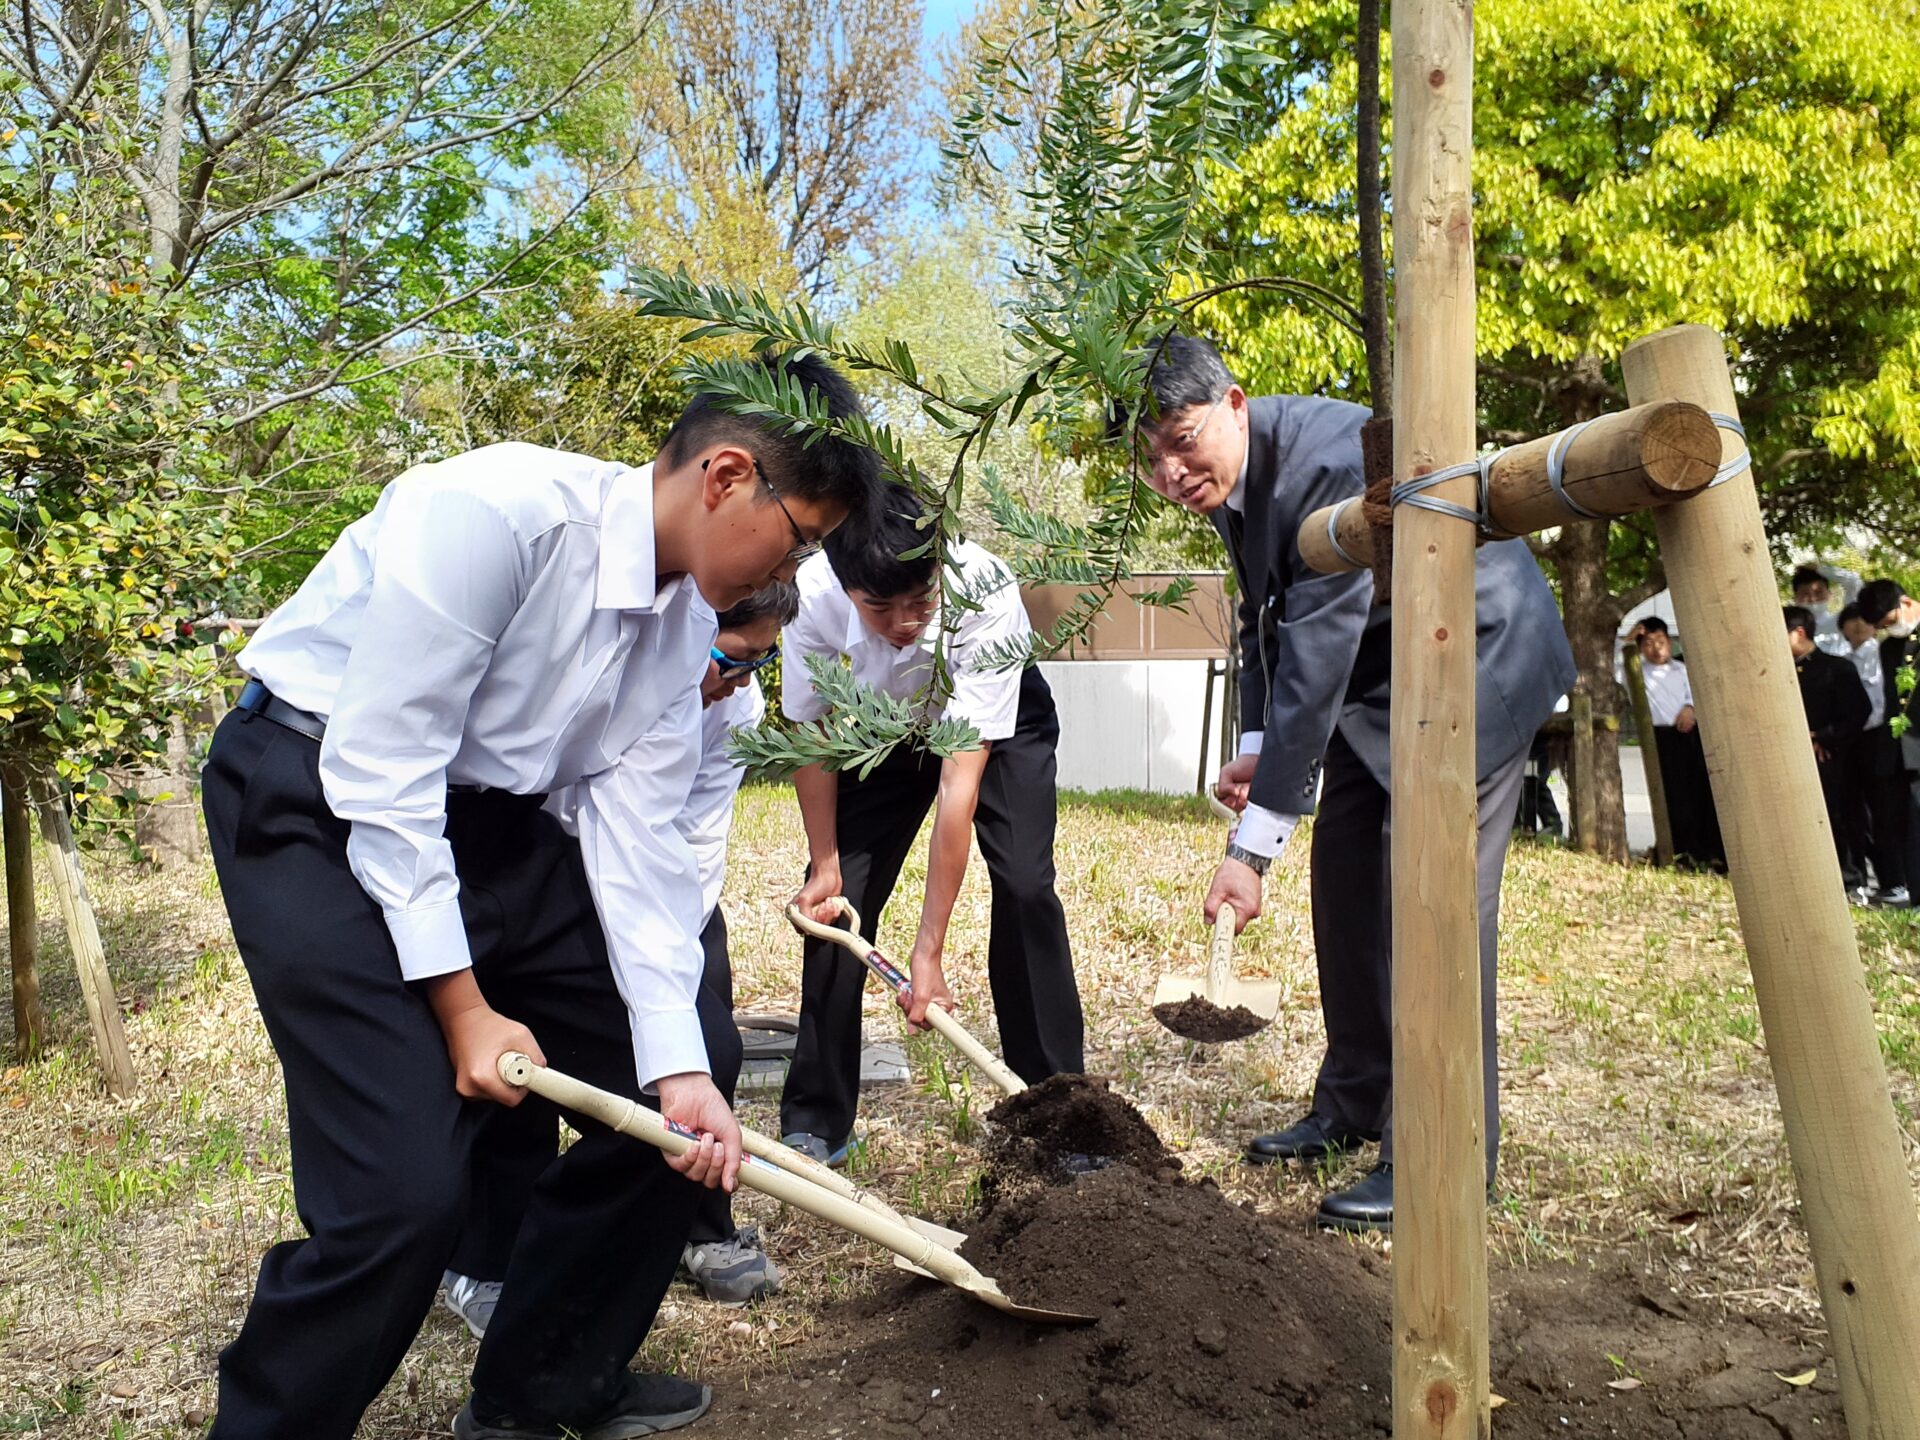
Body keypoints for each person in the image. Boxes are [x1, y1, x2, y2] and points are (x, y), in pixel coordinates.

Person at [200, 352, 875, 1440]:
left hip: (496, 824)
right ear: (725, 476)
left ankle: (540, 1393)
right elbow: (385, 771)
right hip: (317, 799)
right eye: (796, 537)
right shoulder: (492, 513)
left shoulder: (678, 626)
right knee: (401, 1198)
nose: (788, 571)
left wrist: (675, 1065)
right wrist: (463, 1005)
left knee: (681, 1081)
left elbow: (634, 835)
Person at [1125, 334, 1574, 1232]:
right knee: (1348, 888)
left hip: (1473, 662)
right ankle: (1354, 1101)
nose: (1172, 472)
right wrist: (1258, 745)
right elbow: (1262, 619)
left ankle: (1443, 1150)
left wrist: (1250, 852)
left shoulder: (1330, 461)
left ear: (1236, 403)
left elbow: (1317, 651)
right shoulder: (1232, 485)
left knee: (1433, 906)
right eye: (1152, 459)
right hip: (1386, 681)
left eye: (1182, 439)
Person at [439, 585, 799, 1339]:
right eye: (726, 661)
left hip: (660, 892)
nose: (729, 684)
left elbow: (694, 837)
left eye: (754, 665)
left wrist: (665, 966)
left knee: (706, 1045)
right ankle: (488, 1258)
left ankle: (698, 1225)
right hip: (527, 861)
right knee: (516, 1059)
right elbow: (572, 810)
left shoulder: (735, 710)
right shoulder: (609, 667)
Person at [779, 484, 1084, 1165]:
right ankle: (818, 1117)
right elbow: (810, 733)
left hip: (995, 728)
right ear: (843, 583)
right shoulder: (812, 596)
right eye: (879, 608)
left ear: (942, 566)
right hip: (886, 725)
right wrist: (825, 859)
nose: (904, 622)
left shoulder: (985, 592)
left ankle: (1061, 1113)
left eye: (921, 600)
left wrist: (929, 953)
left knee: (1028, 886)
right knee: (834, 903)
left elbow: (958, 785)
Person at [1786, 604, 1873, 896]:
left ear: (1799, 633)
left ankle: (1852, 881)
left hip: (1835, 759)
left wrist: (1822, 737)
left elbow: (1859, 712)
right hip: (1792, 759)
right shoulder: (1777, 673)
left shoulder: (1838, 668)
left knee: (1842, 820)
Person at [1623, 618, 1723, 869]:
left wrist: (1690, 709)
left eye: (1661, 642)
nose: (1656, 649)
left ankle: (1705, 850)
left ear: (1669, 641)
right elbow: (1608, 660)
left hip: (1688, 734)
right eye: (1648, 643)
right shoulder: (1634, 671)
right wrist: (1627, 638)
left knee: (1699, 793)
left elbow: (1696, 695)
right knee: (1672, 797)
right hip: (1659, 736)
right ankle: (1677, 850)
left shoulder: (1682, 669)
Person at [1857, 578, 1920, 906]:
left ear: (1906, 603)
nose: (1888, 630)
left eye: (1890, 622)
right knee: (1907, 825)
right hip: (1901, 751)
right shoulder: (1888, 648)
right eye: (1882, 627)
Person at [1792, 564, 1858, 656]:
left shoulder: (1841, 621)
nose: (1812, 599)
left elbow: (1853, 582)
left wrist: (1820, 569)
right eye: (1805, 594)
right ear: (1795, 598)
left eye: (1818, 592)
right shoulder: (1790, 628)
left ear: (1830, 594)